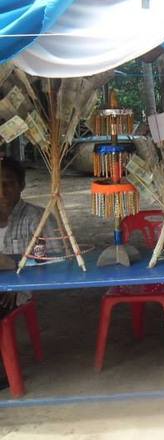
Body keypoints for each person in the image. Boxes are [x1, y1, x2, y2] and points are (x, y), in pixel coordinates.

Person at [0, 157, 59, 390]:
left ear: (22, 185)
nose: (2, 191)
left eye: (8, 183)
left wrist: (14, 284)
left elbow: (56, 261)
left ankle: (5, 371)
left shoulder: (37, 218)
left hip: (16, 290)